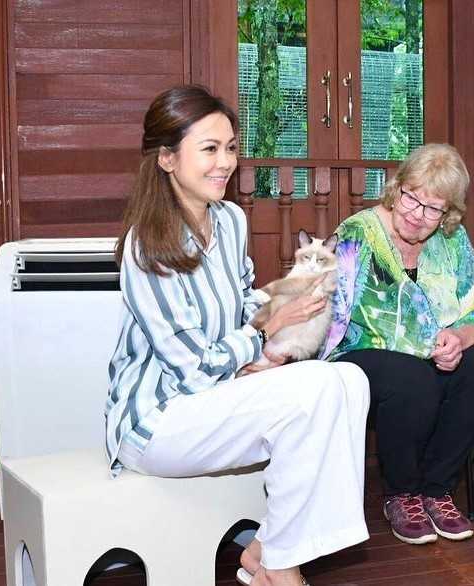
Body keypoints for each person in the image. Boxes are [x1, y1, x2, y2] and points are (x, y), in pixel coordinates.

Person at [105, 85, 370, 586]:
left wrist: (271, 326)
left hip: (218, 393)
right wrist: (263, 335)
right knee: (314, 390)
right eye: (209, 148)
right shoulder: (148, 245)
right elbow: (189, 371)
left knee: (348, 381)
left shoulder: (231, 220)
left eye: (230, 147)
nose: (225, 162)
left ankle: (270, 550)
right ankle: (279, 568)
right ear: (166, 158)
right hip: (159, 421)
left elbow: (244, 299)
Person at [319, 143, 474, 545]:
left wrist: (458, 338)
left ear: (449, 214)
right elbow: (324, 316)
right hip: (362, 356)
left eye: (433, 209)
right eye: (411, 198)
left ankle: (437, 490)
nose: (417, 215)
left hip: (434, 358)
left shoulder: (453, 240)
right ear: (397, 187)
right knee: (411, 376)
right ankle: (402, 493)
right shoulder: (358, 233)